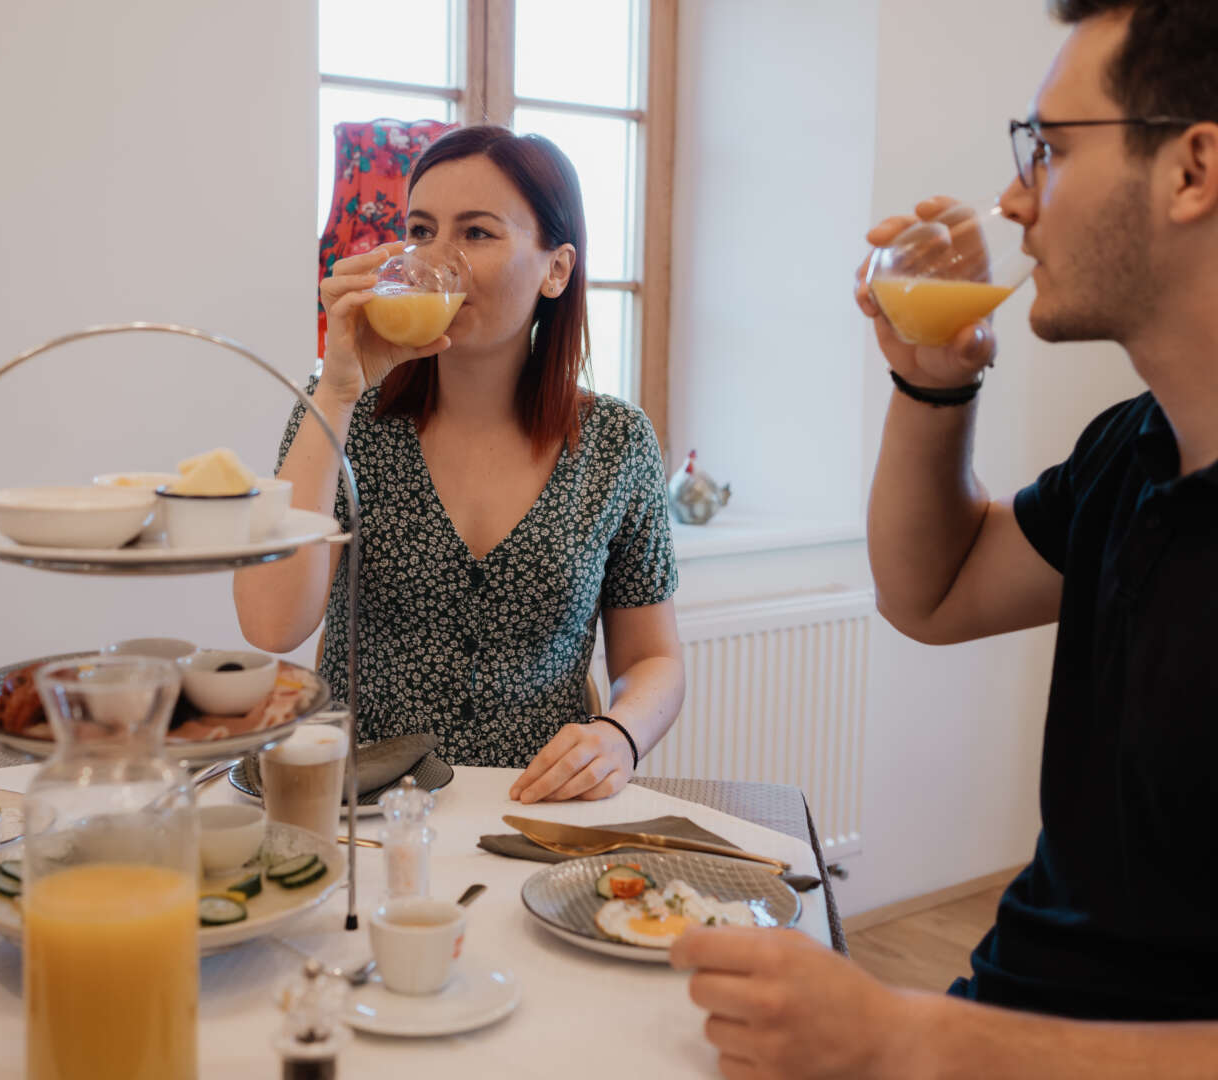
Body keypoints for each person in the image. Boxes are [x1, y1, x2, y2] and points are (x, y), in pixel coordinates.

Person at [673, 1, 1218, 1075]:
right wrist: (935, 379)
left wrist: (909, 1039)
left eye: (1049, 151)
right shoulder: (1134, 450)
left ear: (1194, 168)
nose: (1015, 199)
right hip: (1006, 1013)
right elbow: (932, 590)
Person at [235, 125, 685, 804]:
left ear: (556, 269)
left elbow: (654, 657)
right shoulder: (344, 415)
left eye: (476, 233)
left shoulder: (616, 442)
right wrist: (336, 390)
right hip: (362, 808)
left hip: (535, 807)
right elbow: (272, 626)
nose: (437, 259)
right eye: (420, 231)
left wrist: (619, 735)